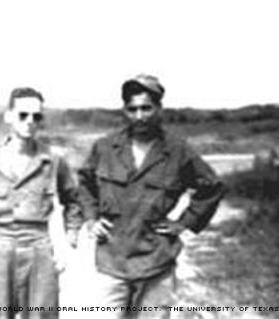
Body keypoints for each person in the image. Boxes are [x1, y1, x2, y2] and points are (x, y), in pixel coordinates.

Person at [77, 74, 225, 319]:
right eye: (132, 109)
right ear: (124, 110)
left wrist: (183, 223)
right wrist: (92, 219)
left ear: (158, 109)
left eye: (146, 108)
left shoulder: (178, 150)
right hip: (112, 260)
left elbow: (212, 187)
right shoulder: (104, 147)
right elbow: (84, 183)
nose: (139, 116)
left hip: (156, 260)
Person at [0, 87, 81, 319]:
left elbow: (73, 202)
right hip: (0, 247)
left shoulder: (52, 160)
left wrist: (67, 244)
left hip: (39, 247)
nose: (30, 122)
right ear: (8, 116)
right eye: (23, 115)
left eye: (37, 116)